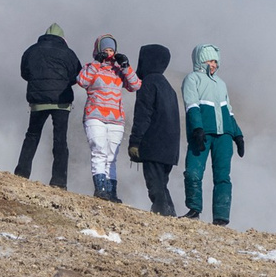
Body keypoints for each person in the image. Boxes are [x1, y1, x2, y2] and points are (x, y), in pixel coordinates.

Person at [180, 43, 243, 224]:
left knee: (223, 177)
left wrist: (238, 135)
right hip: (202, 134)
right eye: (209, 60)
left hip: (224, 135)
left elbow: (228, 111)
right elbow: (191, 104)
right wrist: (197, 128)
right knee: (193, 172)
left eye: (216, 61)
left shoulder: (221, 84)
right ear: (200, 61)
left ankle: (221, 218)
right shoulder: (192, 79)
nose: (213, 64)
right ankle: (194, 209)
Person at [16, 24, 82, 187]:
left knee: (32, 135)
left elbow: (24, 73)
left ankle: (22, 173)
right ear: (63, 38)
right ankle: (59, 181)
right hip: (62, 102)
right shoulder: (69, 53)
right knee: (60, 140)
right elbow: (77, 76)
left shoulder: (31, 50)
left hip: (38, 100)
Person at [74, 35, 138, 201]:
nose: (109, 53)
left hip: (116, 119)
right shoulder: (91, 67)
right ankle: (100, 189)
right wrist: (96, 62)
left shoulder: (119, 70)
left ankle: (111, 192)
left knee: (112, 156)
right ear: (97, 51)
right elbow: (82, 81)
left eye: (111, 50)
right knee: (99, 150)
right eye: (105, 50)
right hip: (95, 116)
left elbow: (135, 85)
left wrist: (126, 66)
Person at [126, 43, 180, 217]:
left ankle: (163, 215)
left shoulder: (148, 83)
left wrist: (135, 142)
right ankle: (169, 214)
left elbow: (143, 115)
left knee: (155, 185)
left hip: (154, 145)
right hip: (170, 149)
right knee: (162, 184)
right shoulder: (168, 87)